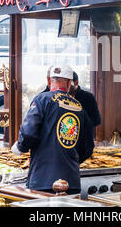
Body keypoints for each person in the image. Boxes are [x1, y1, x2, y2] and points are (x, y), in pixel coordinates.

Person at [11, 64, 94, 194]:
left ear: (49, 81)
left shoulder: (42, 99)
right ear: (69, 83)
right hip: (70, 181)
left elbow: (29, 132)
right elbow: (88, 148)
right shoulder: (79, 108)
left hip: (43, 180)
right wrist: (70, 159)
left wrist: (20, 147)